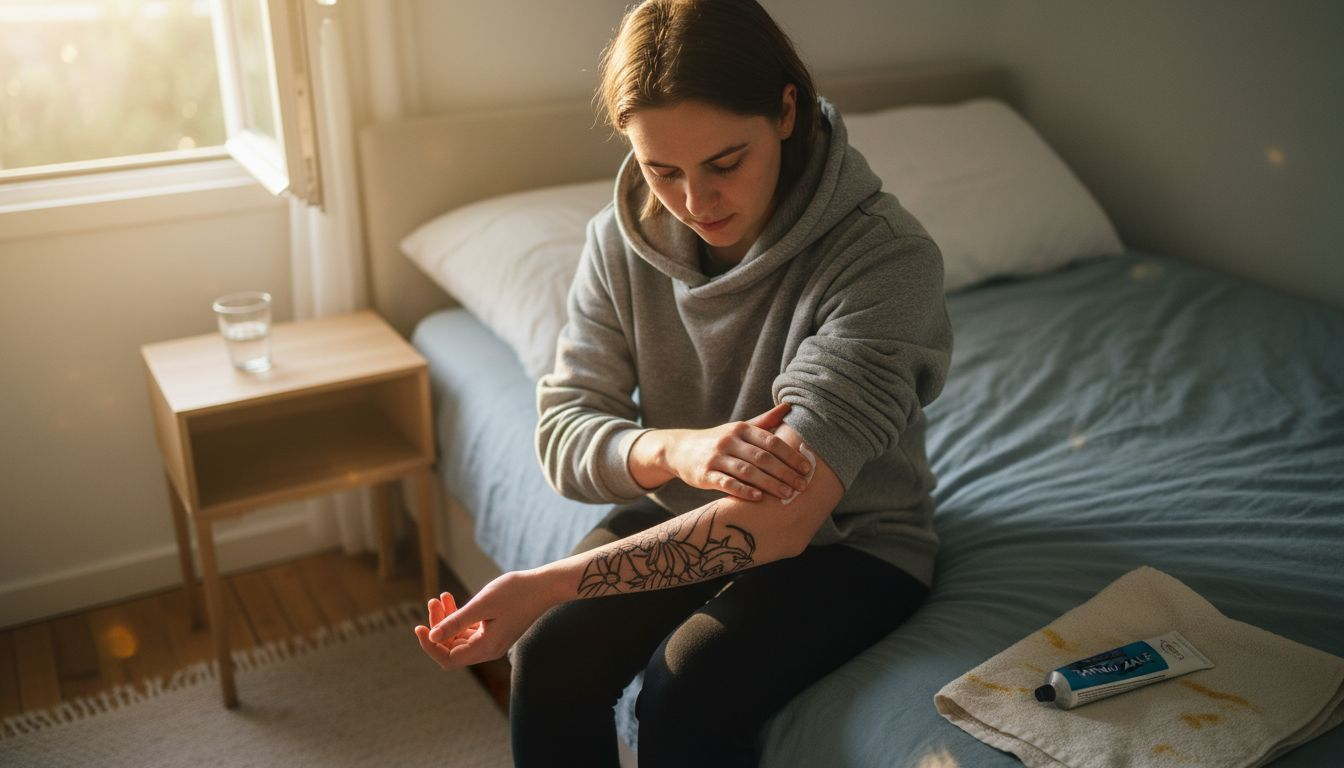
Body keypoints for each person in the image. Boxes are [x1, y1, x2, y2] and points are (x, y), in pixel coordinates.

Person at [414, 0, 953, 765]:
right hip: (681, 506)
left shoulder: (886, 260)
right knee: (547, 656)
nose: (695, 204)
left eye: (725, 164)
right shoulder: (617, 241)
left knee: (684, 694)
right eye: (662, 170)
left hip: (850, 543)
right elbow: (564, 433)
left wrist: (547, 583)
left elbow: (785, 519)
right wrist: (677, 451)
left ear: (786, 112)